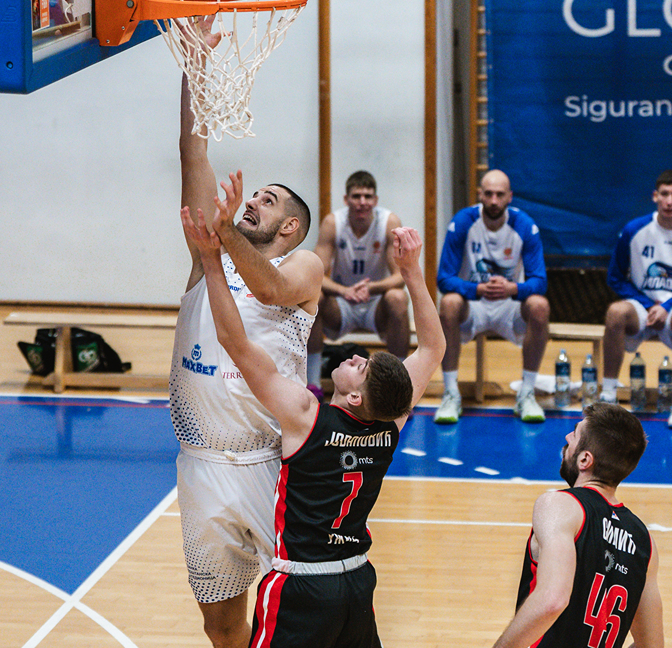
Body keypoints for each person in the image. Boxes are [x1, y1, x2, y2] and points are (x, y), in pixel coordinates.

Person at [181, 183, 445, 648]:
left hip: (302, 584)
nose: (355, 356)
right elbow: (433, 348)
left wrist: (211, 262)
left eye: (361, 367)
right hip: (356, 577)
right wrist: (412, 274)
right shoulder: (390, 425)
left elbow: (236, 343)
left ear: (356, 397)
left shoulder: (304, 417)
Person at [170, 17, 324, 648]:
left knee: (304, 610)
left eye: (268, 200)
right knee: (221, 622)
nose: (253, 200)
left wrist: (227, 232)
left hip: (272, 464)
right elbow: (194, 153)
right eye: (252, 195)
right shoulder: (207, 257)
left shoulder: (303, 267)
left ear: (290, 228)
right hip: (202, 463)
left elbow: (271, 292)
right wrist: (195, 66)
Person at [491, 402, 663, 648]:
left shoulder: (560, 505)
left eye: (575, 433)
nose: (567, 437)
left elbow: (552, 600)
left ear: (585, 459)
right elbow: (652, 645)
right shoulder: (644, 540)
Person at [435, 169, 550, 424]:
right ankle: (450, 393)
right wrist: (476, 289)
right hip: (473, 305)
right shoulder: (463, 222)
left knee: (539, 306)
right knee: (448, 303)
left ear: (510, 196)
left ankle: (526, 393)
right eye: (488, 194)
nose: (494, 200)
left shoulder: (524, 225)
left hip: (509, 305)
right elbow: (443, 278)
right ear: (480, 195)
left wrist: (513, 289)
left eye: (500, 194)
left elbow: (540, 282)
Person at [306, 170, 410, 399]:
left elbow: (400, 276)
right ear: (346, 199)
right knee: (314, 297)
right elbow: (316, 274)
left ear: (375, 200)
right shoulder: (333, 222)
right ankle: (313, 384)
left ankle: (399, 389)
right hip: (341, 304)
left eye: (368, 196)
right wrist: (345, 291)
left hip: (375, 304)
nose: (362, 202)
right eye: (356, 196)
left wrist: (370, 288)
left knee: (397, 297)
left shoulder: (388, 222)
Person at [602, 170, 672, 427]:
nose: (669, 201)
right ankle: (608, 395)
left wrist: (666, 306)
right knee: (615, 313)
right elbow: (615, 278)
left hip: (670, 308)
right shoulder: (634, 230)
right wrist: (648, 304)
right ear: (655, 196)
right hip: (643, 305)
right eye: (665, 194)